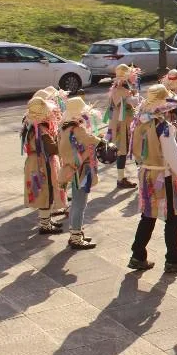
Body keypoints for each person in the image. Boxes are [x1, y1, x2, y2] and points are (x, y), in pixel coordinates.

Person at [128, 84, 177, 273]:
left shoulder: (139, 123)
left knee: (148, 215)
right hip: (162, 175)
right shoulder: (163, 127)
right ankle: (173, 258)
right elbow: (173, 156)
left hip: (146, 173)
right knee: (174, 217)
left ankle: (137, 255)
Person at [57, 97, 109, 250]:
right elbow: (90, 140)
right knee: (80, 204)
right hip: (80, 170)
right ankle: (75, 237)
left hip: (72, 168)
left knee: (76, 202)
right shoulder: (77, 129)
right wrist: (101, 139)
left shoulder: (65, 128)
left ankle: (77, 232)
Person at [22, 96, 64, 235]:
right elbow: (52, 149)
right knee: (46, 190)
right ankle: (45, 225)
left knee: (42, 191)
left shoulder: (29, 124)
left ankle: (46, 220)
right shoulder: (41, 129)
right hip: (42, 163)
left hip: (34, 161)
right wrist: (61, 142)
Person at [106, 63, 141, 189]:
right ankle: (127, 178)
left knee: (126, 149)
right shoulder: (120, 89)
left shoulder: (118, 88)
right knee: (129, 148)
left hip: (121, 122)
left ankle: (123, 178)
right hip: (123, 124)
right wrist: (136, 96)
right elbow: (131, 103)